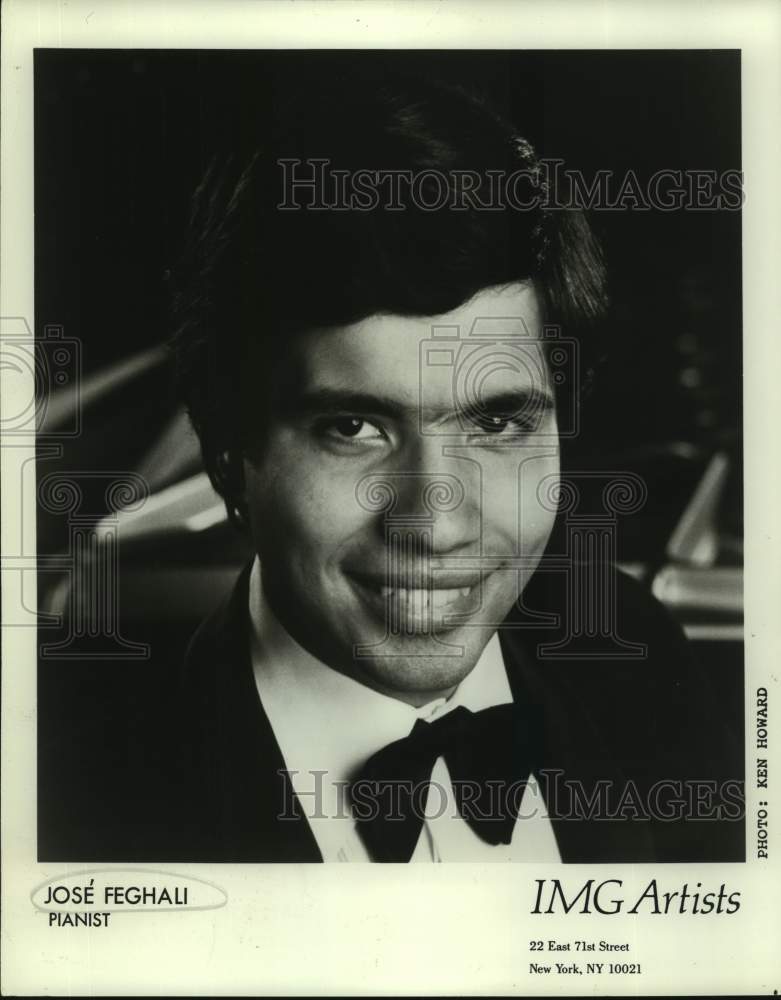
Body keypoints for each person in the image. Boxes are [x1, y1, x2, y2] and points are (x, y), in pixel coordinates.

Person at [168, 69, 743, 863]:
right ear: (231, 457)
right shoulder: (88, 784)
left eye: (498, 421)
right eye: (353, 426)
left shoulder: (635, 654)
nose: (434, 527)